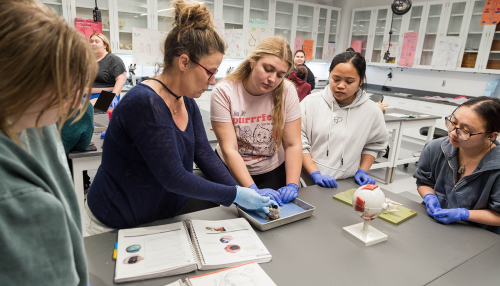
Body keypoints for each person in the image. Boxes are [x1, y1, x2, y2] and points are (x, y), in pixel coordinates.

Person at [86, 0, 276, 234]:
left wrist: (246, 190)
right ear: (184, 61)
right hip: (114, 222)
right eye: (210, 72)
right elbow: (174, 178)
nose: (213, 81)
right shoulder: (144, 103)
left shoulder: (185, 100)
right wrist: (235, 194)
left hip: (157, 219)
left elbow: (204, 154)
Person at [0, 0, 97, 284]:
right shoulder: (20, 203)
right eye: (61, 87)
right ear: (23, 83)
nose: (70, 101)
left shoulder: (26, 126)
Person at [211, 36, 303, 206]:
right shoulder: (224, 92)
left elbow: (293, 144)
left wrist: (292, 184)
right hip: (231, 169)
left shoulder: (287, 91)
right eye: (268, 69)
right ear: (253, 62)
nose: (272, 79)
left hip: (272, 169)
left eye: (280, 75)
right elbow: (230, 149)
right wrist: (251, 188)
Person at [300, 50, 388, 188]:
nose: (341, 85)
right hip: (308, 182)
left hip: (347, 182)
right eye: (336, 79)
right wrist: (315, 174)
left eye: (349, 81)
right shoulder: (310, 103)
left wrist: (363, 171)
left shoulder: (372, 111)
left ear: (361, 80)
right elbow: (298, 142)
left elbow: (375, 145)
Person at [414, 97, 500, 234]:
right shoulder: (435, 148)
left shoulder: (496, 166)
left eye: (465, 131)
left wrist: (463, 214)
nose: (453, 133)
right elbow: (424, 182)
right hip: (433, 224)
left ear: (490, 136)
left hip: (477, 234)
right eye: (453, 123)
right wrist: (430, 196)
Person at [88, 33, 127, 104]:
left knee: (92, 111)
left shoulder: (114, 60)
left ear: (105, 45)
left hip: (106, 95)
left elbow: (121, 79)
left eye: (97, 42)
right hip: (86, 95)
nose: (93, 44)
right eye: (91, 41)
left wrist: (113, 96)